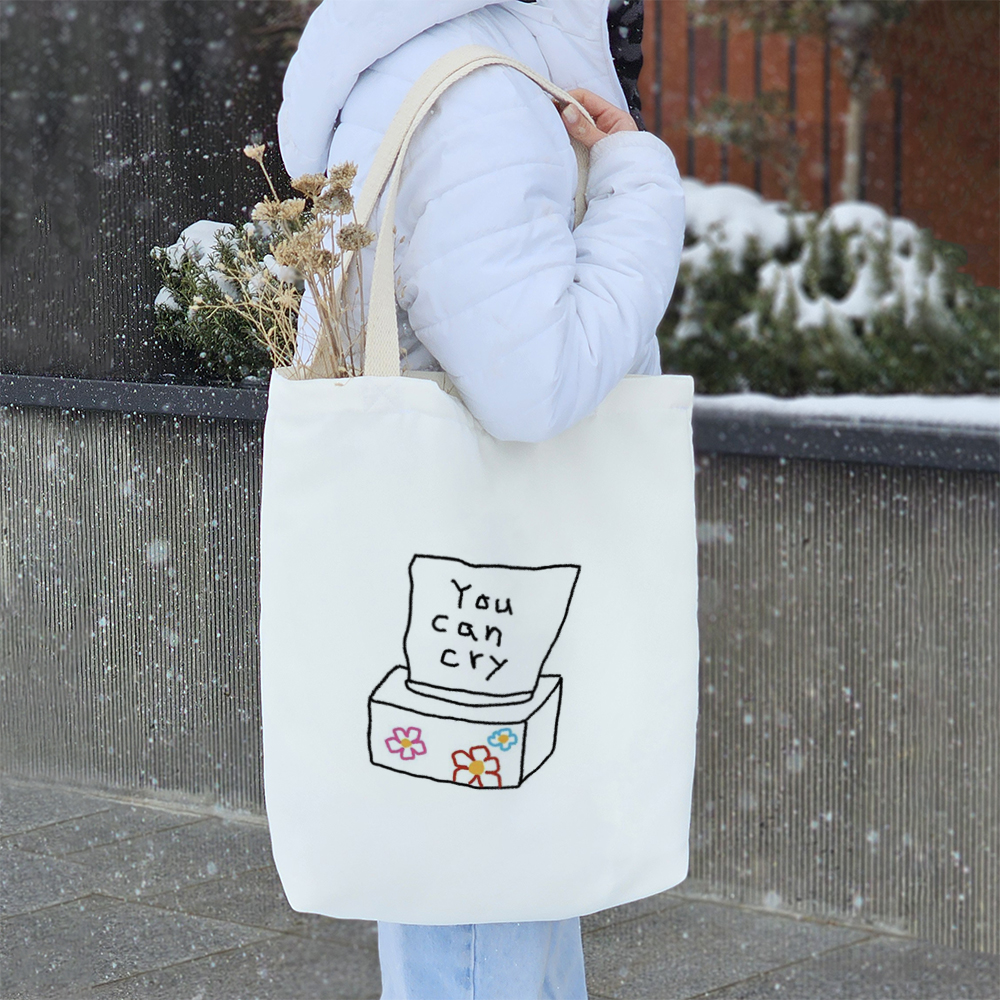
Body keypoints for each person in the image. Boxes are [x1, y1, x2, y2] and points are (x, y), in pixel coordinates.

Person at [278, 1, 685, 996]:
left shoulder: (432, 61)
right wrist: (637, 185)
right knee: (482, 908)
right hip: (493, 572)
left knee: (492, 882)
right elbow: (532, 384)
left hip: (462, 570)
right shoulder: (479, 95)